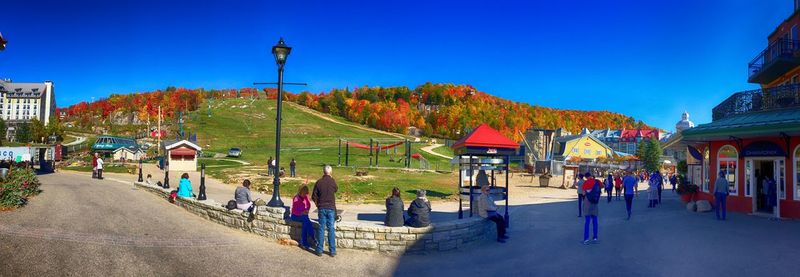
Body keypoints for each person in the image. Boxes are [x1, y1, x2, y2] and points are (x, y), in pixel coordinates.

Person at [312, 165, 338, 257]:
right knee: (331, 228)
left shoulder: (319, 182)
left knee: (321, 228)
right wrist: (331, 178)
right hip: (331, 207)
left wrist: (318, 205)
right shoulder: (333, 182)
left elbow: (314, 196)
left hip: (322, 207)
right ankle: (332, 250)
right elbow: (336, 189)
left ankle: (319, 250)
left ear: (323, 172)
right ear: (330, 172)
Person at [291, 184, 314, 249]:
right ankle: (311, 237)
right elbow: (295, 210)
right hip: (295, 215)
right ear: (300, 192)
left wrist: (307, 210)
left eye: (306, 193)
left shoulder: (306, 197)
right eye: (303, 193)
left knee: (305, 222)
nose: (305, 194)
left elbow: (308, 205)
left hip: (304, 216)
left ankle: (304, 242)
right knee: (306, 220)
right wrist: (302, 212)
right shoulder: (296, 198)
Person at [581, 172, 600, 245]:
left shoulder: (585, 183)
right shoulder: (597, 181)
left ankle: (586, 239)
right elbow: (601, 187)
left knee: (587, 221)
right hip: (595, 203)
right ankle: (595, 237)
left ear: (586, 177)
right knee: (595, 220)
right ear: (591, 176)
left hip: (587, 202)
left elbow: (583, 193)